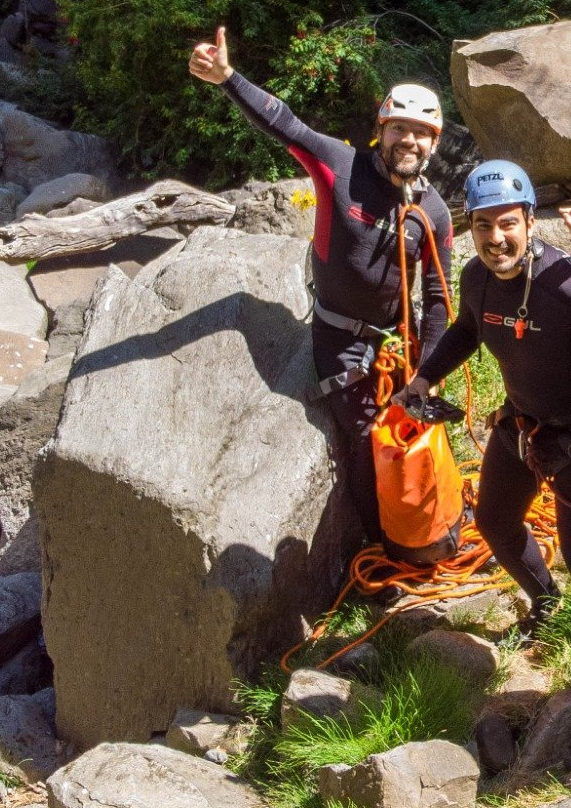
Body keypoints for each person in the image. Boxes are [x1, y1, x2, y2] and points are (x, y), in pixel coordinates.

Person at [394, 159, 571, 767]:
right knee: (494, 523)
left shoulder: (566, 283)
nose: (494, 239)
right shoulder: (478, 278)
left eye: (506, 224)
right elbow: (464, 329)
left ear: (529, 220)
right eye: (482, 226)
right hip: (523, 425)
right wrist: (425, 378)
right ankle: (546, 601)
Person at [189, 28, 453, 553]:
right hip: (341, 339)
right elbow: (285, 123)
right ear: (381, 128)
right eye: (400, 128)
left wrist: (429, 372)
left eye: (422, 133)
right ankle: (381, 546)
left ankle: (432, 522)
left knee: (417, 424)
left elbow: (439, 297)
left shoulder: (434, 213)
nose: (411, 140)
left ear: (435, 143)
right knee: (365, 440)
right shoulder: (341, 164)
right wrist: (227, 79)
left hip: (395, 342)